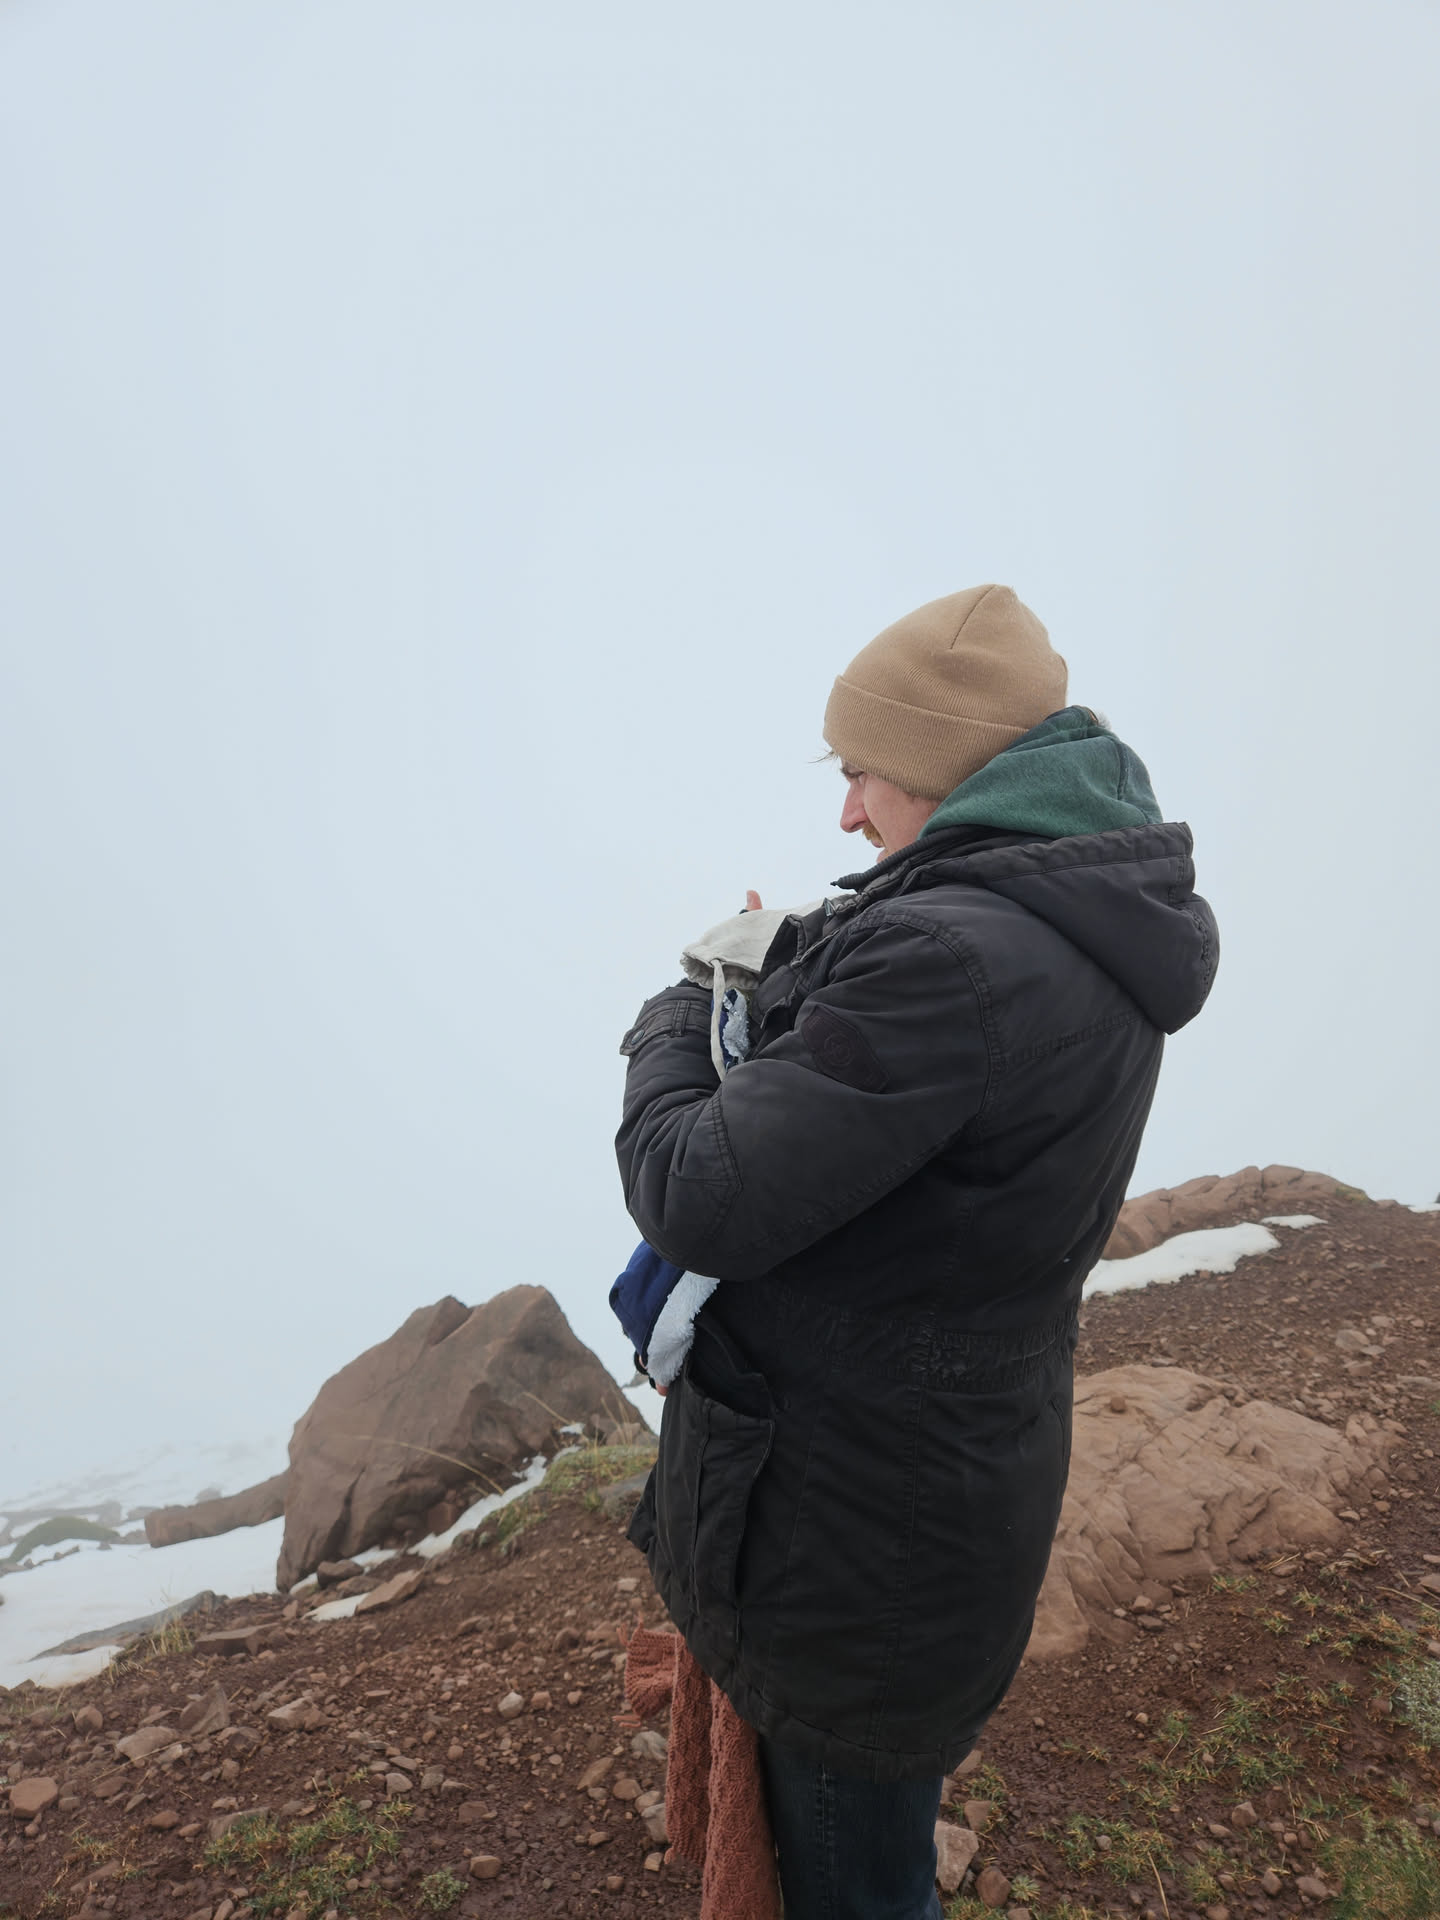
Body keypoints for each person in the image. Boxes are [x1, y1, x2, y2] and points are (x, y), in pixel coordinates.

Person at [615, 584, 1218, 1920]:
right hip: (929, 1487)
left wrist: (683, 1005)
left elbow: (696, 1194)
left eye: (860, 772)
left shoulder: (952, 958)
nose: (846, 813)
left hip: (854, 1537)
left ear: (944, 766)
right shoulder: (1069, 914)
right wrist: (798, 964)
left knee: (858, 1889)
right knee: (860, 1858)